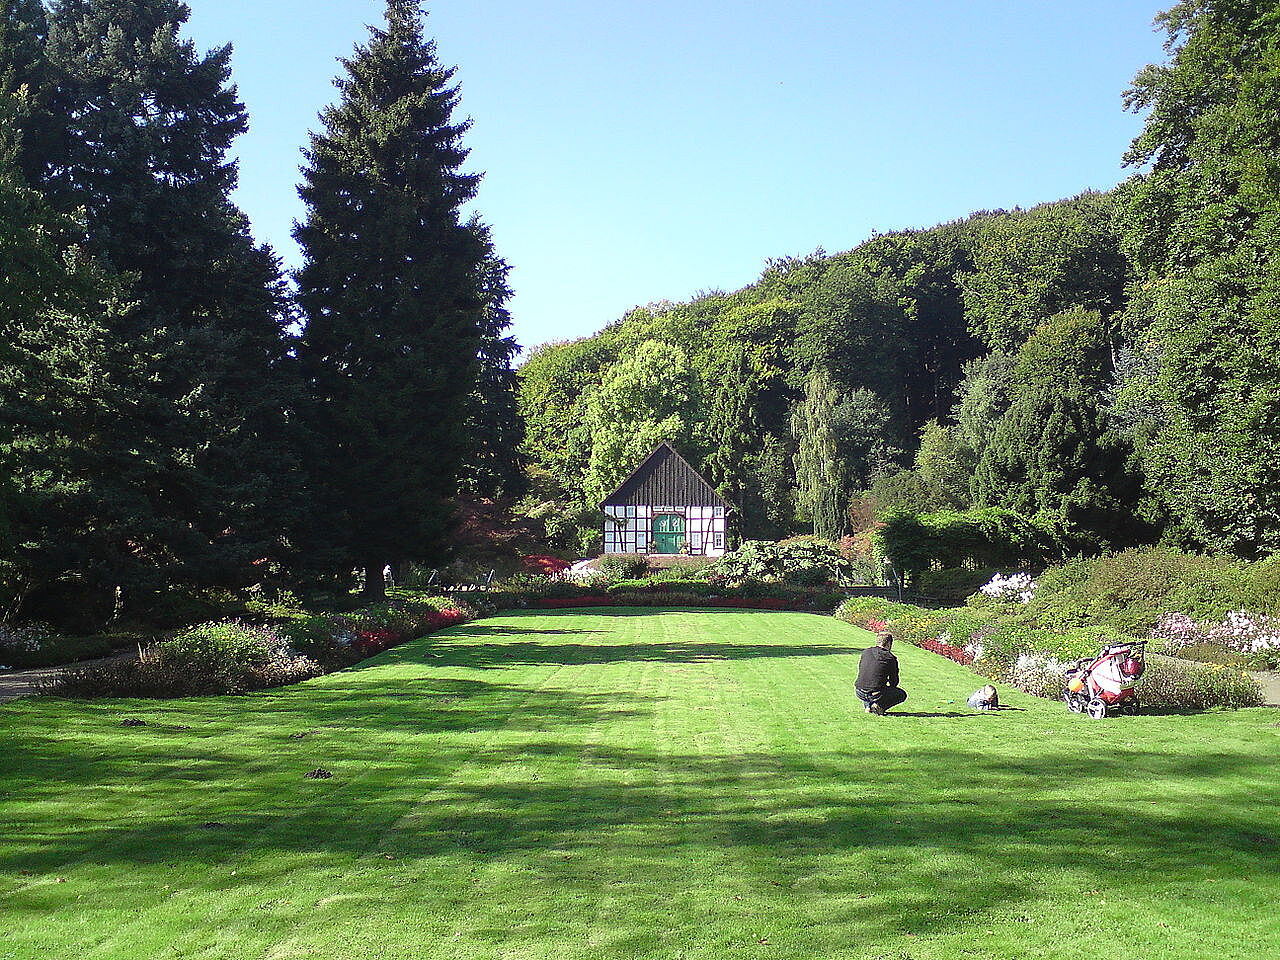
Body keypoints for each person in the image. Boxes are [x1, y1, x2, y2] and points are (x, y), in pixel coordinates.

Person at [856, 632, 908, 715]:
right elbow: (894, 682)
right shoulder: (890, 658)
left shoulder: (866, 652)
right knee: (901, 694)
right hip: (875, 693)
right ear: (889, 644)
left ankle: (868, 706)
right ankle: (879, 706)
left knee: (869, 685)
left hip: (859, 690)